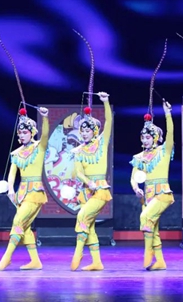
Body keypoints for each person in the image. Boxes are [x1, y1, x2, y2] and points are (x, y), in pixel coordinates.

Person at [0, 106, 50, 271]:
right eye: (20, 133)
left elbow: (45, 134)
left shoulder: (39, 147)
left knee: (18, 221)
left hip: (35, 193)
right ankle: (35, 261)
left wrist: (45, 117)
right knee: (24, 227)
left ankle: (7, 257)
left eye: (25, 132)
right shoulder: (16, 153)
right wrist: (10, 189)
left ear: (32, 133)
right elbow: (12, 173)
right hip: (21, 194)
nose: (21, 135)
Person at [70, 91, 112, 271]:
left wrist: (105, 102)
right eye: (82, 131)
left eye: (87, 131)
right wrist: (88, 182)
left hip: (100, 190)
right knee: (90, 226)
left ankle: (78, 253)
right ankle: (96, 262)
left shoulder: (101, 143)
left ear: (94, 131)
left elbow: (109, 122)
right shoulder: (78, 151)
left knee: (82, 216)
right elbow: (79, 172)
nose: (84, 134)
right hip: (86, 191)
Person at [130, 101, 174, 270]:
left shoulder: (164, 151)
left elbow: (170, 133)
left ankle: (147, 254)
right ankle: (160, 261)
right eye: (143, 137)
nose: (145, 140)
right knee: (153, 229)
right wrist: (136, 189)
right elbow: (133, 178)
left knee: (145, 218)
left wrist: (168, 114)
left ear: (155, 138)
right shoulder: (139, 157)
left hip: (162, 193)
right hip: (147, 196)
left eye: (148, 137)